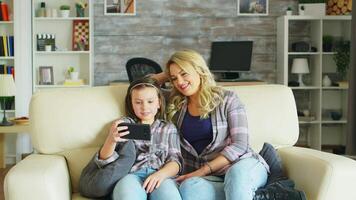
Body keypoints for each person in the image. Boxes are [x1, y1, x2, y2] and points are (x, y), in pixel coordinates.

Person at [151, 49, 269, 200]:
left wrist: (203, 171)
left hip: (241, 165)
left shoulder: (228, 99)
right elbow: (141, 86)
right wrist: (168, 73)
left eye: (184, 73)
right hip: (212, 177)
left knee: (236, 175)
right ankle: (261, 196)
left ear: (199, 70)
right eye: (174, 78)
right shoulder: (174, 102)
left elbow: (240, 145)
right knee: (189, 188)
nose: (179, 82)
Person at [96, 77, 183, 200]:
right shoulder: (124, 124)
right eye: (138, 102)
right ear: (131, 104)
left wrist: (160, 175)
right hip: (131, 175)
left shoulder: (168, 128)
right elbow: (104, 160)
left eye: (150, 101)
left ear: (159, 103)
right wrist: (111, 139)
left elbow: (176, 162)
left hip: (161, 176)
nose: (144, 107)